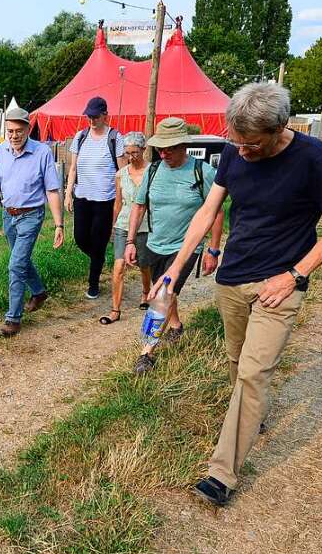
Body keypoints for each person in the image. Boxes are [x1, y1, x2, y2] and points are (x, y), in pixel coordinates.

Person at [153, 83, 322, 508]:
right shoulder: (232, 152)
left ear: (280, 128)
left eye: (251, 144)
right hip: (233, 278)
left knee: (253, 371)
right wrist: (173, 270)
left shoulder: (314, 159)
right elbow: (208, 211)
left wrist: (295, 275)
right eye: (236, 141)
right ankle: (251, 415)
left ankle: (221, 473)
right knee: (235, 359)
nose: (241, 151)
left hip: (279, 284)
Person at [125, 117, 223, 374]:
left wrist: (213, 249)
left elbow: (217, 212)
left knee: (162, 295)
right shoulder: (153, 170)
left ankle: (146, 353)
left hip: (186, 248)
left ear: (184, 145)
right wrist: (130, 241)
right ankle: (176, 326)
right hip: (156, 243)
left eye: (169, 148)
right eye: (160, 148)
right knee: (166, 293)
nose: (164, 153)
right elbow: (139, 205)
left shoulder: (203, 172)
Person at [0, 107, 65, 337]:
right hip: (8, 215)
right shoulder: (1, 151)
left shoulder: (42, 152)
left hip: (31, 215)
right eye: (10, 131)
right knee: (21, 260)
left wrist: (59, 225)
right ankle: (38, 291)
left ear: (28, 129)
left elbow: (52, 190)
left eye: (18, 131)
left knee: (15, 265)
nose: (14, 136)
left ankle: (13, 318)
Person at [65, 96, 124, 299]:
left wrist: (121, 200)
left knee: (98, 241)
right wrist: (68, 194)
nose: (91, 120)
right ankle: (98, 260)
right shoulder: (80, 137)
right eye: (88, 116)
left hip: (104, 200)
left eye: (95, 116)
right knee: (81, 238)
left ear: (105, 116)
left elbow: (121, 172)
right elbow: (73, 168)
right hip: (82, 197)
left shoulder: (115, 138)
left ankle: (93, 283)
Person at [99, 131, 153, 325]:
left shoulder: (153, 171)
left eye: (135, 153)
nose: (131, 157)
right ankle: (115, 310)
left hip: (146, 225)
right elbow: (117, 203)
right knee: (119, 266)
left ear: (144, 150)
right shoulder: (120, 175)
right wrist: (112, 226)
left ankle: (146, 292)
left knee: (144, 265)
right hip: (123, 224)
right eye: (127, 153)